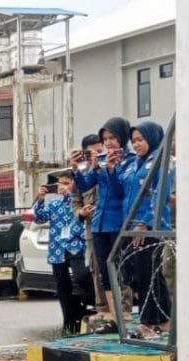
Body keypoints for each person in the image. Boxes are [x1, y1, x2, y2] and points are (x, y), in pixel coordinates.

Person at [71, 117, 134, 333]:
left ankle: (124, 312)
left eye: (112, 138)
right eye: (105, 138)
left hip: (118, 222)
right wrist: (78, 169)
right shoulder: (102, 159)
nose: (108, 143)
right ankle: (114, 317)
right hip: (99, 223)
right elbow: (85, 184)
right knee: (104, 272)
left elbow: (121, 190)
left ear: (122, 138)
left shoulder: (130, 160)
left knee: (121, 270)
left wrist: (111, 169)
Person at [120, 121, 173, 338]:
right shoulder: (135, 164)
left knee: (149, 274)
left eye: (141, 140)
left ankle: (149, 323)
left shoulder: (161, 163)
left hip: (151, 227)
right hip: (132, 226)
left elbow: (158, 198)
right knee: (141, 275)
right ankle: (159, 320)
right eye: (133, 141)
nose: (136, 145)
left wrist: (146, 222)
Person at [33, 171, 93, 334]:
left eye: (66, 183)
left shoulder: (79, 202)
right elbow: (39, 218)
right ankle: (69, 322)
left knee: (82, 276)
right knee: (62, 287)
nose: (62, 187)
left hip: (76, 245)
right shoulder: (55, 204)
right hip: (58, 248)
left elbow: (83, 220)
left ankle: (91, 306)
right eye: (60, 184)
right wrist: (40, 199)